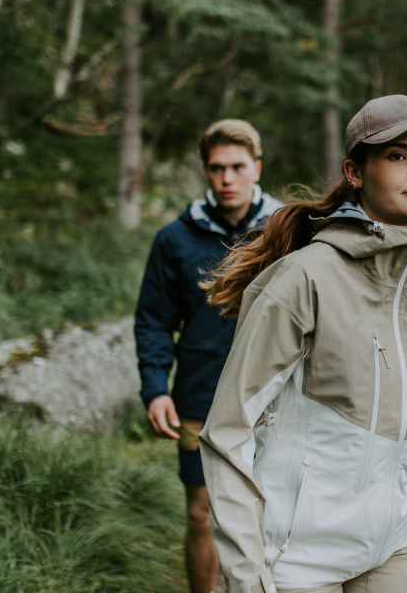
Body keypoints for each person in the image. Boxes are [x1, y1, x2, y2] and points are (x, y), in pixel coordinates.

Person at [198, 95, 407, 593]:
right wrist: (246, 574)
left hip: (402, 540)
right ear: (355, 171)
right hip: (298, 553)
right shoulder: (302, 279)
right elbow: (227, 433)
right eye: (399, 155)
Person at [134, 119, 282, 593]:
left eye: (238, 167)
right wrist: (156, 387)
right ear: (205, 170)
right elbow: (154, 320)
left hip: (274, 398)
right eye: (217, 168)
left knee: (275, 513)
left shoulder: (286, 230)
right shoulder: (174, 239)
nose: (227, 179)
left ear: (256, 167)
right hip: (199, 398)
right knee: (202, 515)